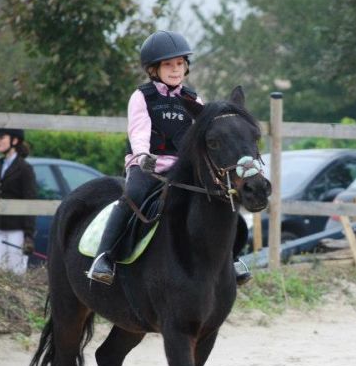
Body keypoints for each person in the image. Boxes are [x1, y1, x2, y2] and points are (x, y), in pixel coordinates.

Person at [88, 30, 252, 285]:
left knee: (223, 199)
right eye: (168, 64)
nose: (176, 70)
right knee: (133, 197)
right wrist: (142, 156)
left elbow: (201, 139)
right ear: (154, 69)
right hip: (148, 167)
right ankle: (105, 257)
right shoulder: (142, 96)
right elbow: (139, 132)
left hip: (183, 169)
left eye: (180, 64)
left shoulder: (193, 99)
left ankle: (232, 257)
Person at [0, 128, 38, 275]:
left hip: (16, 228)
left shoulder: (25, 168)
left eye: (1, 137)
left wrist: (29, 235)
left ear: (15, 140)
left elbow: (30, 202)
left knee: (16, 272)